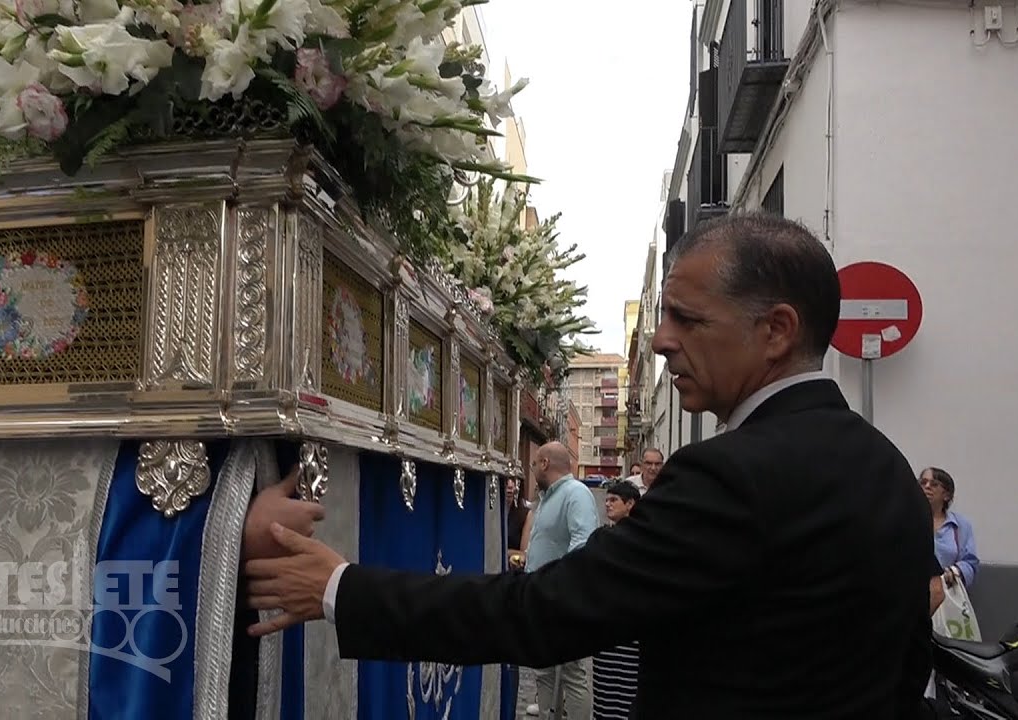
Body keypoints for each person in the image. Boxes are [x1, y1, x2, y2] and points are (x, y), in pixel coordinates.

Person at [243, 213, 936, 718]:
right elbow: (909, 670)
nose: (661, 342)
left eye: (687, 321)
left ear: (776, 331)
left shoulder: (732, 476)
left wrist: (339, 587)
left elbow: (546, 611)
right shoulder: (889, 472)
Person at [521, 442, 600, 720]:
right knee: (544, 667)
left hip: (561, 595)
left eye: (534, 464)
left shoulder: (575, 493)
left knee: (572, 671)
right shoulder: (547, 498)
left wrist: (558, 583)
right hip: (542, 594)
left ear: (544, 464)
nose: (533, 470)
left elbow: (583, 541)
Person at [592, 481, 642, 719]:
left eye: (614, 500)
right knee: (605, 691)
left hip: (631, 629)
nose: (608, 504)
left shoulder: (642, 541)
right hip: (606, 626)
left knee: (627, 690)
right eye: (607, 499)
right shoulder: (604, 536)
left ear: (630, 504)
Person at [920, 467, 980, 591]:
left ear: (946, 495)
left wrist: (955, 571)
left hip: (947, 592)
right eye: (923, 482)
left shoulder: (960, 526)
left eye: (934, 484)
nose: (927, 486)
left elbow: (970, 562)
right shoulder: (907, 520)